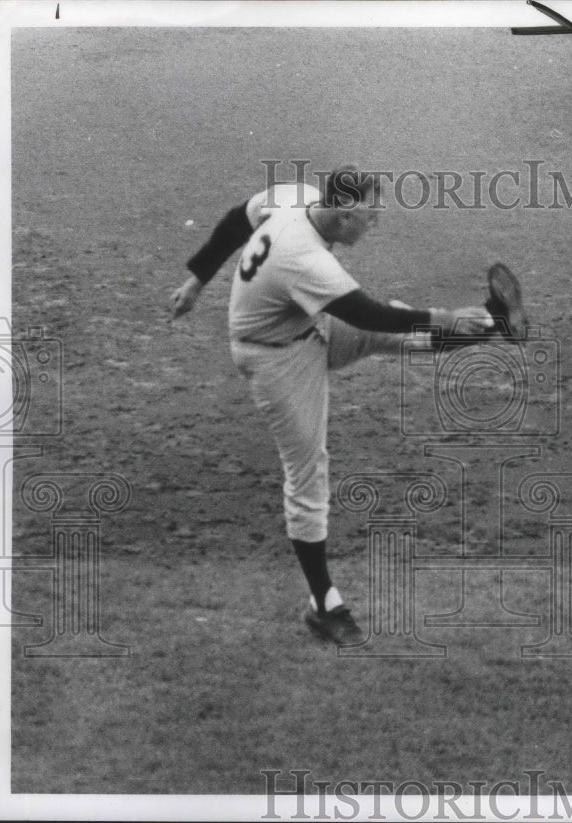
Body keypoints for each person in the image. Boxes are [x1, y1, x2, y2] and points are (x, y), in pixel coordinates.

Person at [170, 165, 527, 645]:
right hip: (276, 358)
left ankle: (495, 324)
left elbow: (239, 217)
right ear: (341, 213)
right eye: (369, 216)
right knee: (307, 472)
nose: (374, 224)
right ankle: (323, 604)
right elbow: (361, 311)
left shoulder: (298, 198)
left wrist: (196, 278)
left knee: (398, 329)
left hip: (302, 323)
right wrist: (442, 315)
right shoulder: (304, 258)